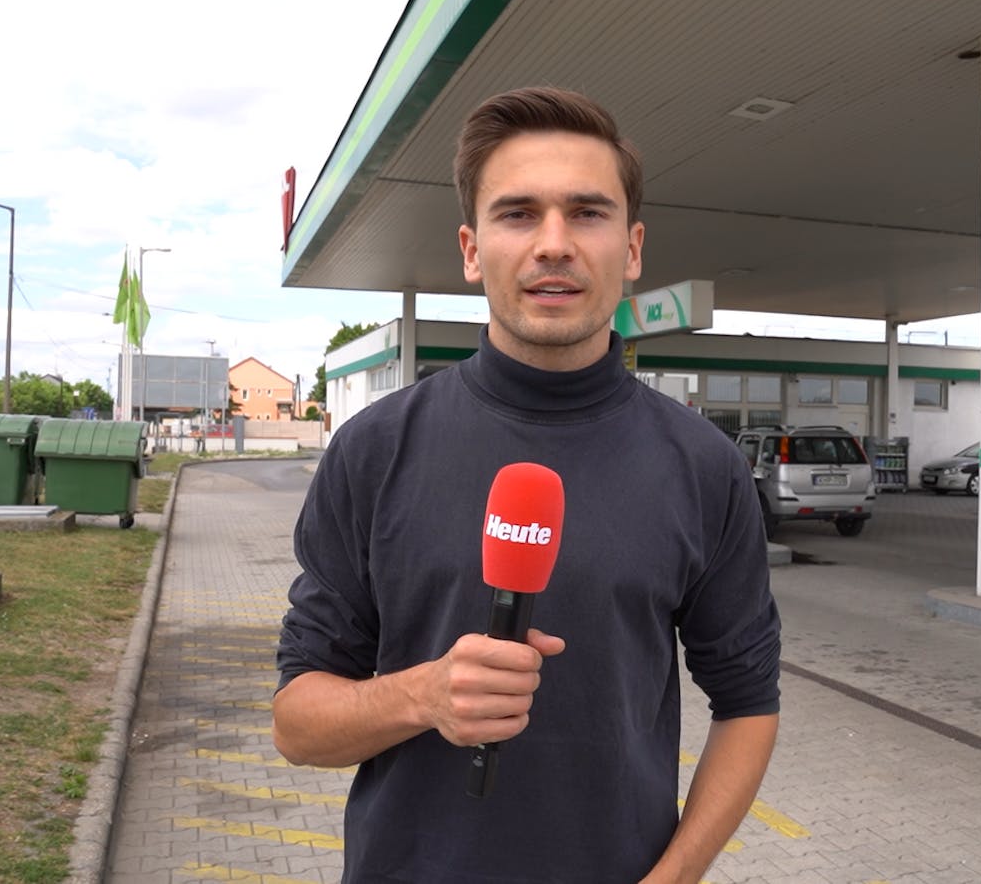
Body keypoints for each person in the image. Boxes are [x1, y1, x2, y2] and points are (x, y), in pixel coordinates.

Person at [273, 86, 781, 883]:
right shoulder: (374, 449)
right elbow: (298, 723)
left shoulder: (703, 466)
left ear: (634, 247)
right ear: (472, 250)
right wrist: (424, 695)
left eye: (587, 212)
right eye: (518, 214)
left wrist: (675, 875)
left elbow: (748, 701)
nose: (554, 243)